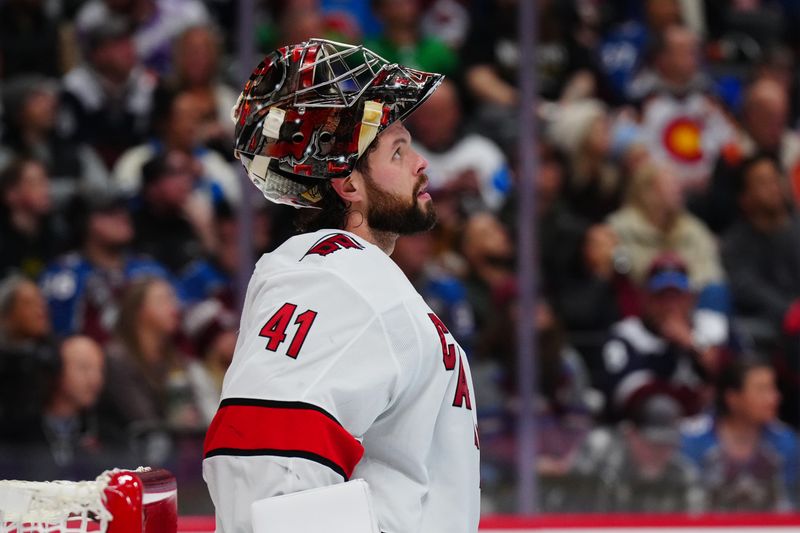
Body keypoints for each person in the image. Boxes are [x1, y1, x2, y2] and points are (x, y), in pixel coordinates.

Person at [202, 39, 479, 533]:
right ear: (348, 184)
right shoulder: (338, 281)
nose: (421, 164)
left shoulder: (353, 276)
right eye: (398, 151)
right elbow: (260, 460)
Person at [682, 359, 799, 511]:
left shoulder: (786, 441)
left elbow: (790, 504)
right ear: (733, 398)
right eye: (761, 390)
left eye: (773, 388)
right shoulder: (691, 439)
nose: (774, 397)